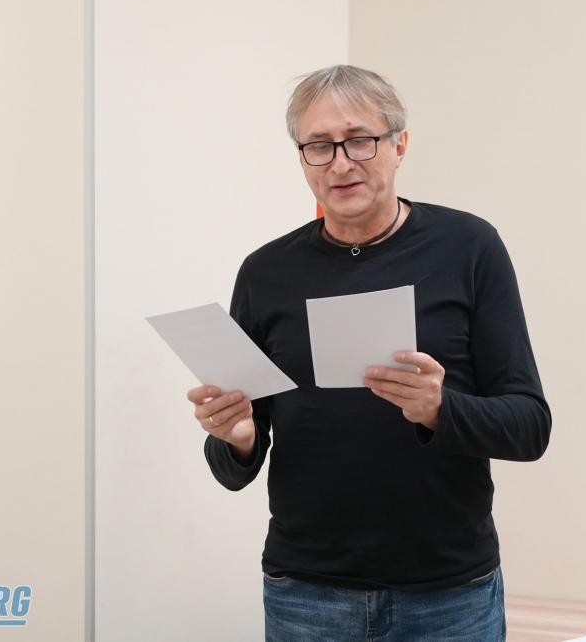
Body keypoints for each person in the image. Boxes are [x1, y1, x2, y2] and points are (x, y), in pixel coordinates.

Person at [185, 64, 551, 641]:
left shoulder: (469, 247)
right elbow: (234, 466)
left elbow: (530, 428)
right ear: (301, 157)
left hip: (447, 595)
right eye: (319, 146)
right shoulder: (265, 273)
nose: (340, 163)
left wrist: (440, 409)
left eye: (360, 140)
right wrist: (237, 438)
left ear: (399, 145)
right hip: (305, 594)